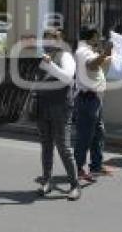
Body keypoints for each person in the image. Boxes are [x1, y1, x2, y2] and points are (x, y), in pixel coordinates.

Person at [35, 28, 80, 200]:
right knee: (46, 146)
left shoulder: (65, 56)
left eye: (50, 40)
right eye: (44, 40)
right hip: (43, 106)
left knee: (64, 147)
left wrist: (49, 65)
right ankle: (46, 181)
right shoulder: (42, 58)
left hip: (61, 107)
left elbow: (68, 77)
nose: (46, 44)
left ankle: (74, 185)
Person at [73, 25, 114, 182]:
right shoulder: (83, 51)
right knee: (85, 136)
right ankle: (77, 168)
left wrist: (108, 57)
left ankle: (96, 165)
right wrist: (105, 53)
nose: (99, 39)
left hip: (94, 99)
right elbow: (91, 64)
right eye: (97, 36)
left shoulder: (87, 50)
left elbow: (96, 63)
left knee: (98, 133)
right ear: (90, 37)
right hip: (87, 100)